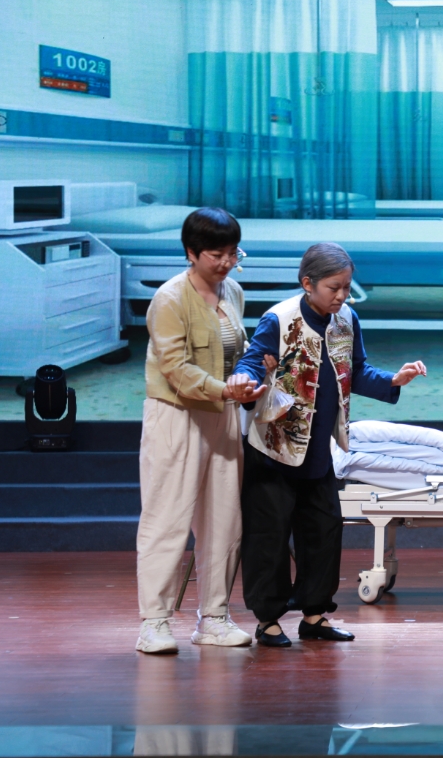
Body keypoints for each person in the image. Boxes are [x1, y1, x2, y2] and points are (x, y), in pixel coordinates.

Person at [230, 242, 426, 647]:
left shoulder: (346, 319)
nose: (342, 296)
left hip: (319, 448)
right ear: (308, 283)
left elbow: (356, 370)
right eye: (334, 288)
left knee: (323, 531)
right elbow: (252, 360)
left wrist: (393, 379)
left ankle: (314, 615)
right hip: (274, 448)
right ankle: (268, 619)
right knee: (269, 537)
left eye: (347, 288)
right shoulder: (279, 318)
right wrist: (245, 380)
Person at [135, 207, 263, 655]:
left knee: (225, 521)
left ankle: (214, 618)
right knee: (167, 519)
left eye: (233, 253)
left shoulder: (233, 292)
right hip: (177, 415)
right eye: (216, 254)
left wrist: (248, 377)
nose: (226, 262)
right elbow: (174, 367)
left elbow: (238, 353)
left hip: (223, 414)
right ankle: (154, 622)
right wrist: (224, 389)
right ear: (191, 252)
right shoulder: (170, 299)